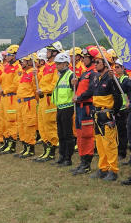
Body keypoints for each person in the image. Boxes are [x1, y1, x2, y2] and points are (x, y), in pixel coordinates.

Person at [88, 49, 124, 182]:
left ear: (106, 63)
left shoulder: (111, 79)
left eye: (98, 62)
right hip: (97, 114)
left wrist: (112, 111)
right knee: (100, 144)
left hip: (106, 114)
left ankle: (113, 170)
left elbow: (118, 98)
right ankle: (102, 168)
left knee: (109, 144)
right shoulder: (97, 78)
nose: (95, 64)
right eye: (94, 62)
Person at [70, 46, 99, 175]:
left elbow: (91, 90)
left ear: (92, 59)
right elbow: (80, 88)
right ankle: (82, 162)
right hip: (80, 107)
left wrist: (79, 98)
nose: (84, 60)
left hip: (87, 106)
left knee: (87, 135)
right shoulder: (85, 72)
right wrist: (73, 83)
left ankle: (87, 164)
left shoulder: (94, 73)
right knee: (80, 135)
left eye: (86, 58)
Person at [35, 47, 60, 162]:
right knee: (42, 125)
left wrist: (43, 90)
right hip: (42, 99)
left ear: (54, 52)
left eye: (49, 51)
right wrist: (37, 73)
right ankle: (46, 150)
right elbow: (41, 81)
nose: (47, 53)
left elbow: (55, 84)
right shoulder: (47, 66)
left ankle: (51, 151)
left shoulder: (56, 66)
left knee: (49, 125)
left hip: (49, 99)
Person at [51, 52, 75, 166]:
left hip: (68, 107)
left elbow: (74, 90)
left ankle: (68, 158)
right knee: (60, 133)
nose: (57, 66)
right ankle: (61, 155)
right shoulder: (60, 76)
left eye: (59, 64)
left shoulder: (71, 75)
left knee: (67, 134)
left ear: (65, 64)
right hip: (60, 107)